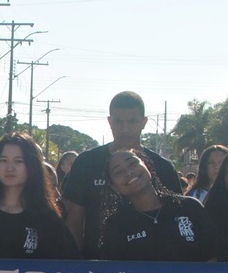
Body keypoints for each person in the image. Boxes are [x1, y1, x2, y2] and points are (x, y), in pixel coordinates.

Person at [60, 91, 182, 257]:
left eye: (132, 121)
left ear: (144, 122)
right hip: (98, 264)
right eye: (118, 122)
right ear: (109, 122)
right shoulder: (86, 162)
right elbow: (74, 220)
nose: (125, 129)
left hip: (156, 265)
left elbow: (177, 217)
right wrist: (76, 264)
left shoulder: (163, 167)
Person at [98, 148, 216, 262]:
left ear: (147, 166)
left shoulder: (190, 208)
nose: (128, 172)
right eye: (118, 172)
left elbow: (212, 259)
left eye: (132, 163)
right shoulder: (115, 225)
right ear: (114, 187)